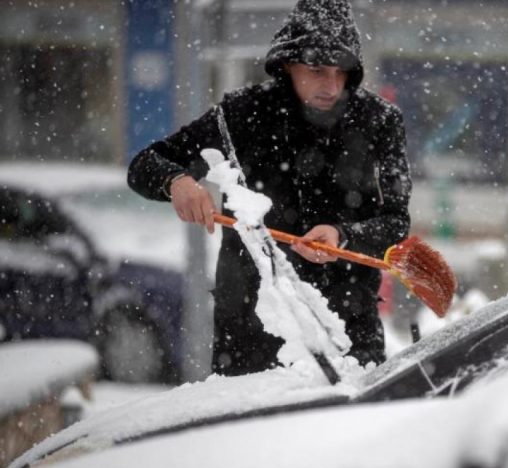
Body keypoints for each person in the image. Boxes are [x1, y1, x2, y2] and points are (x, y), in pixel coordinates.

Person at [127, 0, 411, 376]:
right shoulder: (244, 114)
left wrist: (343, 236)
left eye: (341, 72)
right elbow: (145, 164)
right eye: (317, 70)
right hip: (251, 325)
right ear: (288, 65)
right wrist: (176, 181)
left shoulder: (379, 122)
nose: (331, 85)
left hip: (346, 325)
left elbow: (395, 223)